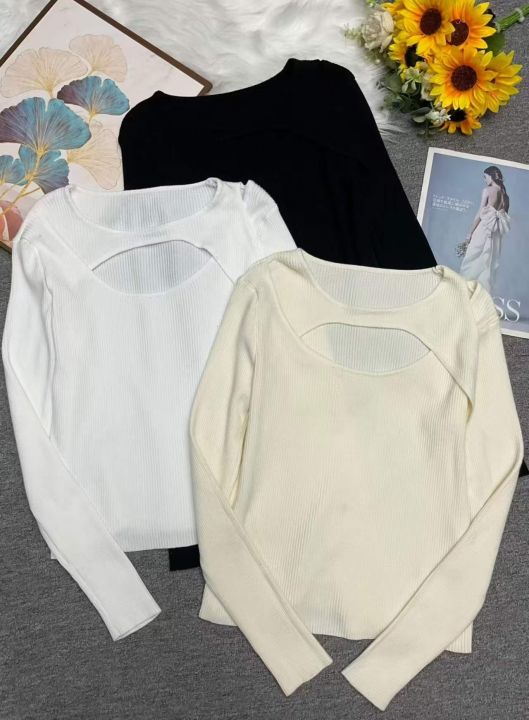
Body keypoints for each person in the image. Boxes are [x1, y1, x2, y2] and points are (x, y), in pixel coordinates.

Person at [458, 166, 510, 293]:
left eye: (485, 177)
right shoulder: (505, 196)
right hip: (496, 234)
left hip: (484, 228)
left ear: (491, 176)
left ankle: (464, 291)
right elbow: (503, 217)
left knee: (471, 259)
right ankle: (480, 295)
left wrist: (469, 233)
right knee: (488, 264)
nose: (484, 180)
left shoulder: (487, 190)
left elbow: (479, 214)